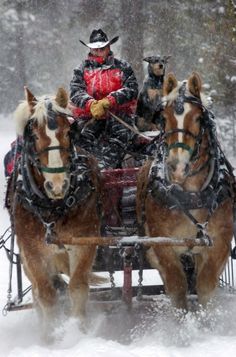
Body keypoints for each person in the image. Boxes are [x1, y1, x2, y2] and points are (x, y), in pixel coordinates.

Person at [69, 29, 138, 169]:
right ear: (90, 49)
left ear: (108, 47)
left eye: (102, 48)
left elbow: (131, 89)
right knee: (80, 138)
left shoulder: (123, 67)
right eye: (96, 49)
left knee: (120, 136)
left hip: (120, 116)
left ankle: (104, 166)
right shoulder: (81, 69)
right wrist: (91, 104)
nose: (99, 51)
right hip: (89, 116)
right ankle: (90, 166)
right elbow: (76, 91)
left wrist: (110, 100)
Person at [136, 55, 171, 131]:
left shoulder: (165, 84)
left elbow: (164, 105)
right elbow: (146, 107)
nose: (160, 64)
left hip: (160, 121)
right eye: (155, 62)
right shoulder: (148, 85)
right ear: (150, 64)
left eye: (162, 62)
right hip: (145, 120)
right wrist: (151, 124)